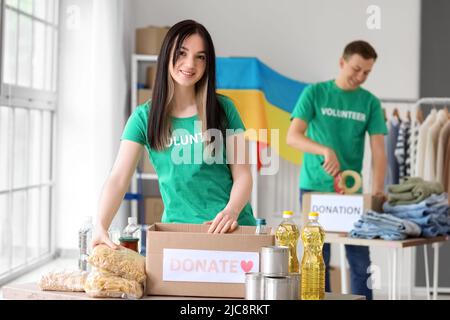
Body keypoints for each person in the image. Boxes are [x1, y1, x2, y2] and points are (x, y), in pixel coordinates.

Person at [92, 20, 255, 249]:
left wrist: (231, 211)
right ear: (167, 53)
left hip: (231, 230)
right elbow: (118, 178)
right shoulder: (144, 117)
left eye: (201, 57)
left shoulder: (223, 109)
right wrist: (100, 225)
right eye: (182, 53)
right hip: (179, 235)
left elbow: (243, 174)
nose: (190, 64)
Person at [286, 40, 387, 300]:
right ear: (342, 63)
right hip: (314, 189)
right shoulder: (315, 93)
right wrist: (324, 150)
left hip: (352, 194)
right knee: (318, 259)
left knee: (360, 259)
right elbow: (293, 137)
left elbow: (379, 152)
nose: (360, 77)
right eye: (356, 69)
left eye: (367, 72)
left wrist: (376, 192)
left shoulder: (370, 103)